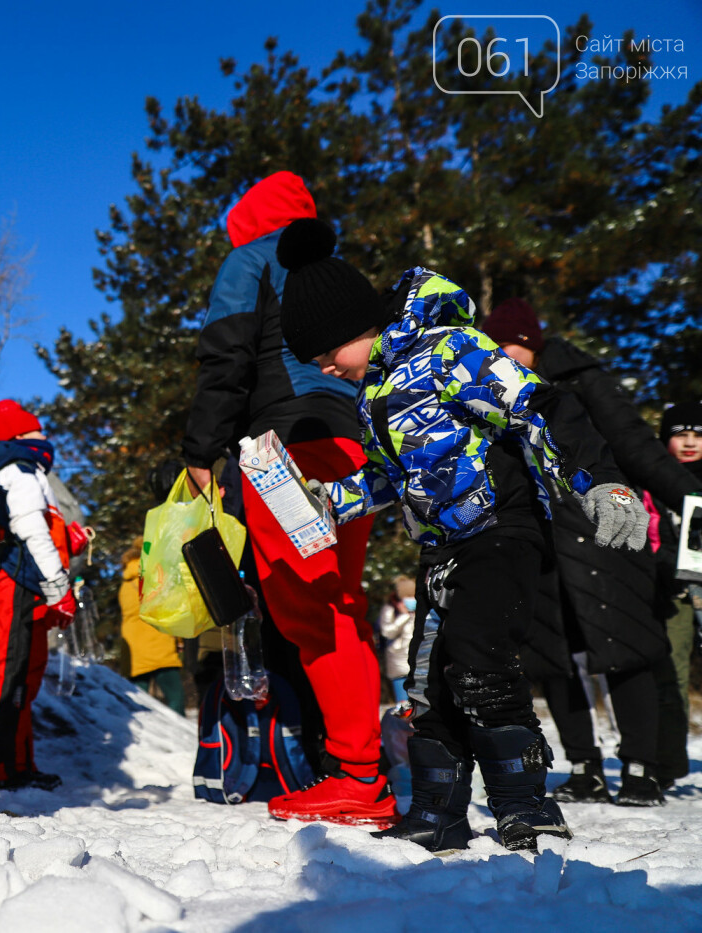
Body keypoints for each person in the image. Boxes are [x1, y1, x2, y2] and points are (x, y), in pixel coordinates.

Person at [277, 217, 648, 853]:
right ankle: (438, 810)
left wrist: (602, 481)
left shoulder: (451, 351)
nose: (326, 371)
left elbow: (539, 408)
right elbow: (388, 477)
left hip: (501, 532)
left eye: (325, 356)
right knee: (426, 683)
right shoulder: (377, 395)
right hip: (442, 548)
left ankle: (525, 806)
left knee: (479, 662)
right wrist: (326, 502)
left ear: (349, 330)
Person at [182, 172, 385, 826]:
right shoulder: (331, 264)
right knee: (340, 601)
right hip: (350, 448)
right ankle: (349, 762)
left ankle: (356, 775)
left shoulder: (249, 259)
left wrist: (199, 449)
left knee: (308, 611)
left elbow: (225, 357)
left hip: (284, 451)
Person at [480, 300, 699, 805]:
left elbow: (637, 446)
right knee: (551, 655)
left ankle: (641, 768)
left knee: (626, 647)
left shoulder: (580, 380)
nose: (501, 358)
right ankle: (584, 766)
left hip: (605, 531)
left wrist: (694, 505)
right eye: (493, 349)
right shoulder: (488, 393)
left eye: (509, 348)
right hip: (538, 537)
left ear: (533, 345)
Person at [0, 399, 76, 790]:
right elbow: (31, 528)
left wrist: (71, 542)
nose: (46, 437)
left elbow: (35, 529)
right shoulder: (20, 471)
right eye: (38, 431)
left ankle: (19, 764)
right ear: (18, 436)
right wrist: (58, 588)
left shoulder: (14, 472)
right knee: (9, 675)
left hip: (22, 585)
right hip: (16, 584)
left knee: (24, 677)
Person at [643, 401, 702, 787]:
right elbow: (649, 533)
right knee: (672, 675)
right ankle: (669, 761)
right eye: (680, 434)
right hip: (676, 592)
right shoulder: (652, 482)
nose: (690, 442)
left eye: (698, 435)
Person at [119, 536, 185, 714]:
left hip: (134, 649)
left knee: (138, 702)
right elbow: (167, 611)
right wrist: (178, 639)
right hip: (159, 643)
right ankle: (179, 738)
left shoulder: (126, 582)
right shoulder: (156, 577)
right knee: (175, 698)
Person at [378, 576, 416, 703]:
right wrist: (404, 616)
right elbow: (387, 632)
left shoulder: (420, 609)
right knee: (404, 704)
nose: (411, 600)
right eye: (407, 596)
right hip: (399, 663)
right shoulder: (390, 609)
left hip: (419, 662)